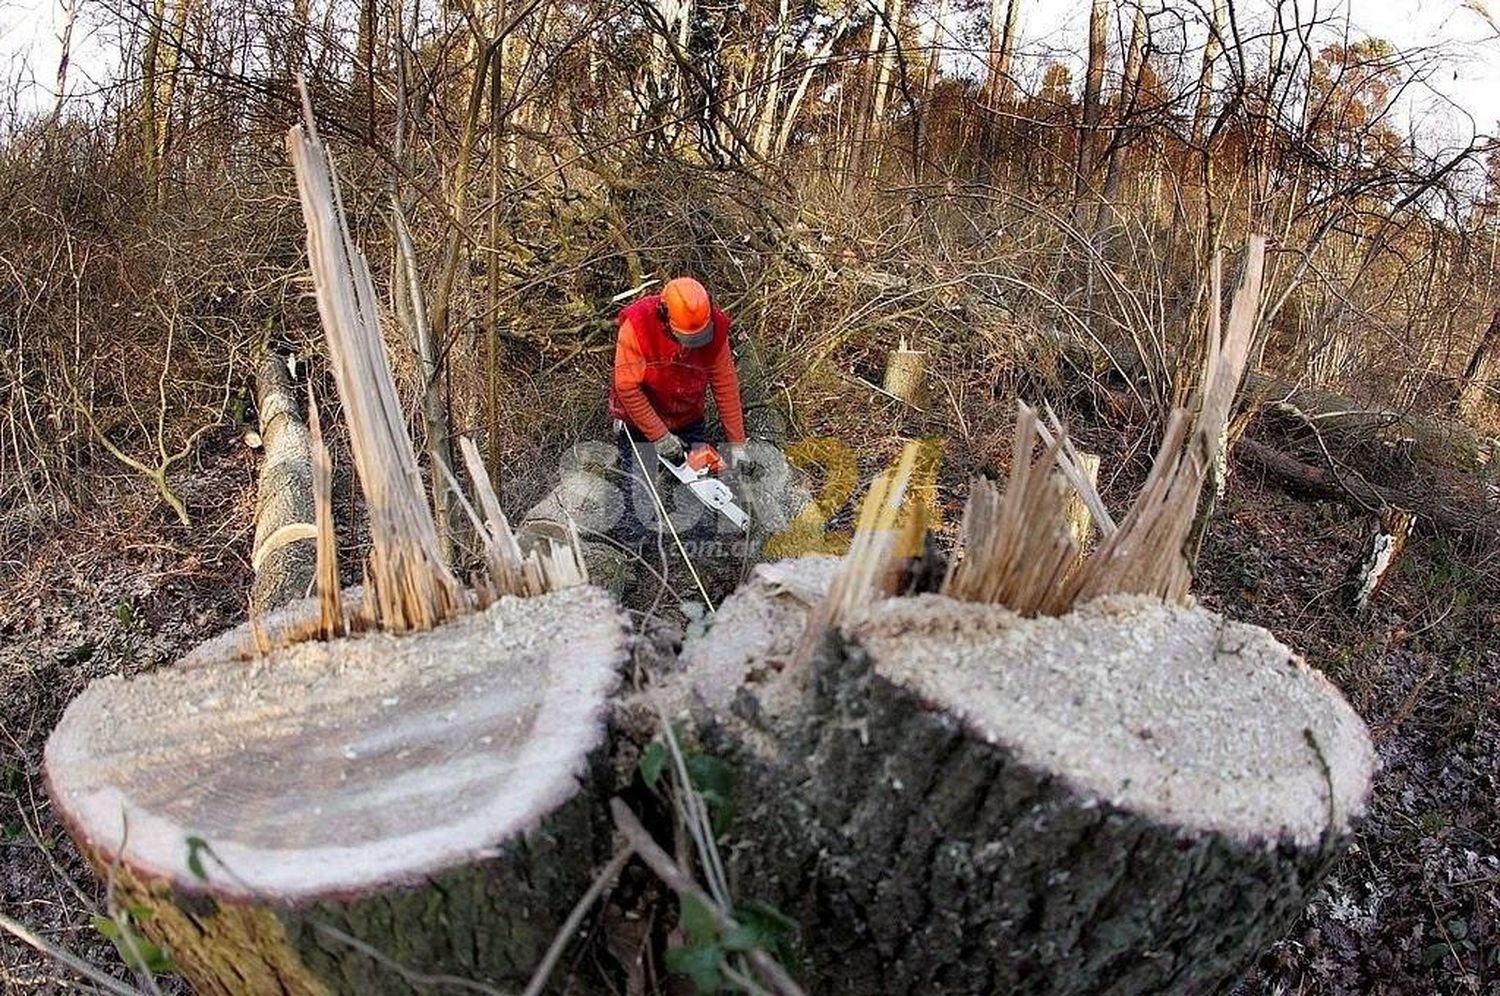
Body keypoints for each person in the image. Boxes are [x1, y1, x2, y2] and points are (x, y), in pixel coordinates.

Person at [610, 276, 751, 469]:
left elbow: (725, 384)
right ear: (665, 318)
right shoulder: (638, 326)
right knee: (639, 490)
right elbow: (626, 387)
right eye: (688, 339)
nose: (694, 346)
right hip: (639, 420)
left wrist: (737, 444)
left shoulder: (715, 328)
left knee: (699, 486)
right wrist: (659, 436)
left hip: (688, 417)